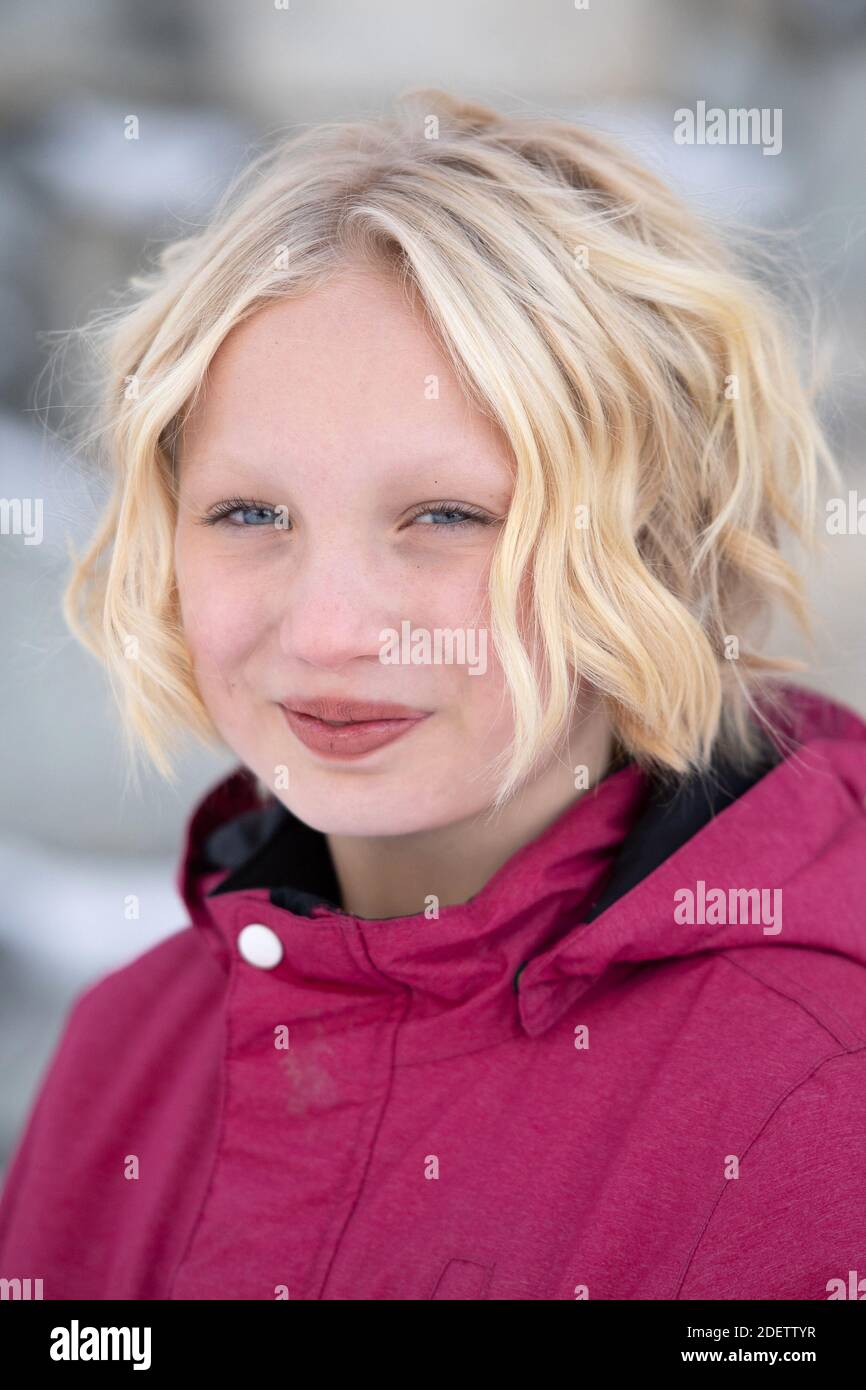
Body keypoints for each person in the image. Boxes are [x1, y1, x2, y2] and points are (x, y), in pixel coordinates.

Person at [1, 88, 865, 1302]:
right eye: (250, 513)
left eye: (445, 517)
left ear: (655, 548)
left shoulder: (815, 1103)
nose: (327, 629)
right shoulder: (126, 1051)